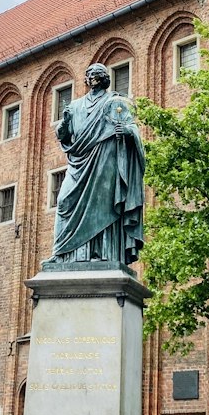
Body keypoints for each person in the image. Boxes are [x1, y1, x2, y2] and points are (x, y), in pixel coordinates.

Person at [49, 63, 145, 265]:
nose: (91, 78)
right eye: (89, 75)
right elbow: (62, 136)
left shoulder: (114, 102)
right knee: (64, 201)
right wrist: (64, 123)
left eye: (96, 75)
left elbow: (131, 127)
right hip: (78, 163)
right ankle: (64, 253)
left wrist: (126, 131)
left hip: (105, 160)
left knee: (103, 206)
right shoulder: (74, 106)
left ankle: (103, 253)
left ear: (103, 78)